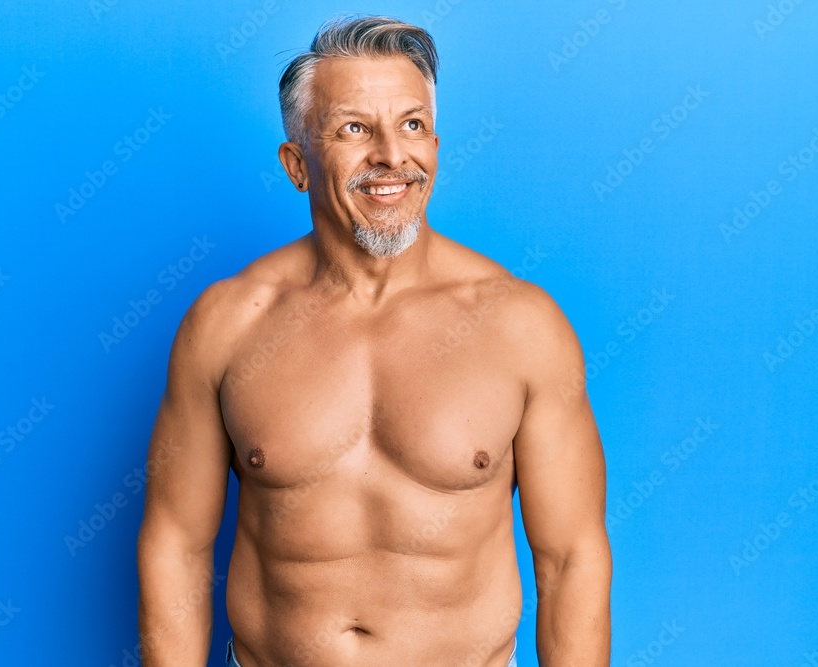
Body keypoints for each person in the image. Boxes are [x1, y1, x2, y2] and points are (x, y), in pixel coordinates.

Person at [137, 14, 611, 667]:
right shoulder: (228, 324)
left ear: (436, 145)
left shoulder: (520, 326)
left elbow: (571, 557)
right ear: (297, 163)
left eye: (412, 125)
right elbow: (175, 545)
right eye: (355, 128)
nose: (392, 155)